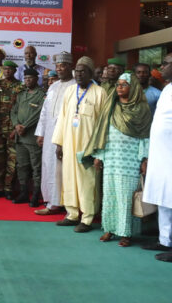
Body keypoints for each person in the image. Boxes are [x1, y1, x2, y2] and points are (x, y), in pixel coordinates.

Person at [82, 73, 151, 247]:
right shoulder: (111, 106)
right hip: (112, 157)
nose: (119, 87)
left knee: (127, 197)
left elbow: (145, 137)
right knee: (110, 195)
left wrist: (144, 159)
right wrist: (99, 156)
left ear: (133, 88)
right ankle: (110, 228)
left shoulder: (142, 109)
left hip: (130, 160)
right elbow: (102, 132)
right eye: (118, 84)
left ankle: (126, 232)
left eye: (124, 84)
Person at [52, 56, 107, 233]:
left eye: (83, 71)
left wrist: (98, 150)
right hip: (69, 143)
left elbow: (103, 124)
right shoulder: (70, 91)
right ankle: (72, 214)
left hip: (88, 147)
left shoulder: (99, 92)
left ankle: (87, 218)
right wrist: (59, 143)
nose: (79, 74)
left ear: (91, 73)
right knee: (69, 179)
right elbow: (62, 117)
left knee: (87, 182)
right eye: (77, 71)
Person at [34, 52, 75, 215]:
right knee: (49, 167)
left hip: (66, 135)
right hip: (50, 134)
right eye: (57, 66)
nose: (59, 69)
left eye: (63, 66)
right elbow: (44, 111)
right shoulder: (53, 86)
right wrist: (41, 133)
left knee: (64, 169)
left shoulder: (75, 86)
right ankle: (52, 202)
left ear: (70, 67)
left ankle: (67, 204)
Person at [142, 53, 172, 262]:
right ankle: (164, 239)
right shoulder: (167, 88)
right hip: (161, 154)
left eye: (166, 63)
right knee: (164, 198)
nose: (161, 67)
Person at [11, 68, 45, 207]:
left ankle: (36, 195)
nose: (27, 81)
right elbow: (13, 111)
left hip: (31, 137)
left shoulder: (41, 95)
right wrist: (16, 125)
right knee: (22, 166)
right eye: (25, 78)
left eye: (30, 78)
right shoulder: (21, 95)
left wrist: (24, 126)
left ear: (37, 79)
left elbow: (39, 114)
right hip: (20, 137)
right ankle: (24, 193)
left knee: (36, 167)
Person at [0, 60, 24, 199]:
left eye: (10, 69)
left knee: (12, 161)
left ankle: (8, 188)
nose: (7, 71)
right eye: (5, 69)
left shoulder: (20, 87)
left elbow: (22, 110)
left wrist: (15, 129)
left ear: (15, 71)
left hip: (12, 130)